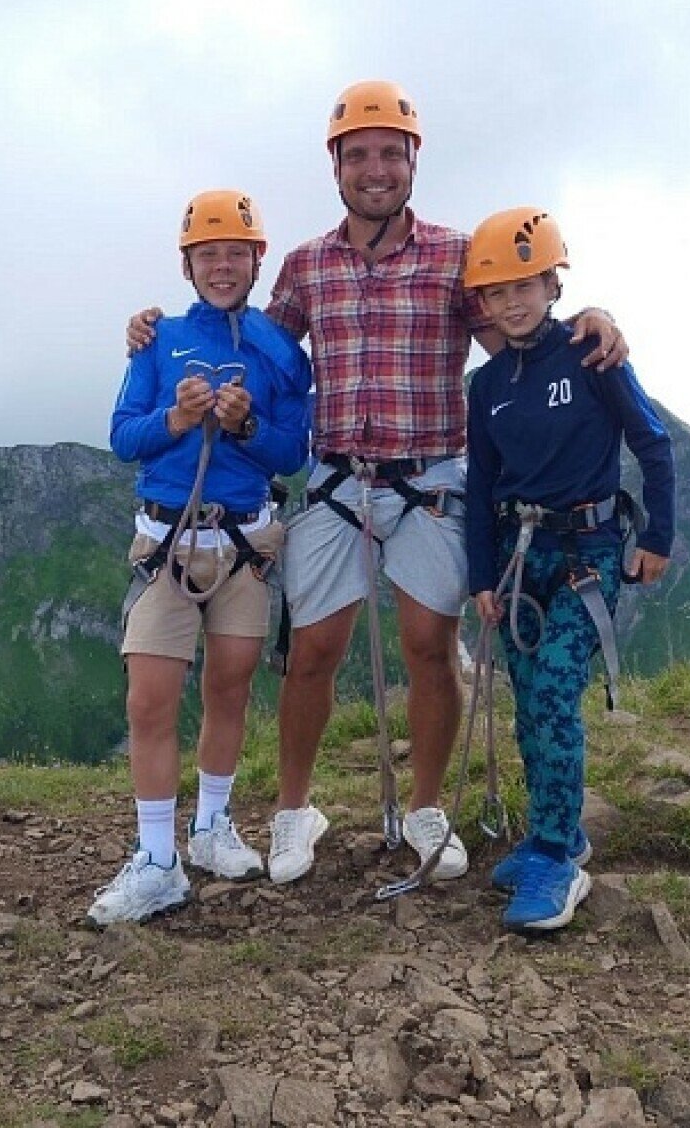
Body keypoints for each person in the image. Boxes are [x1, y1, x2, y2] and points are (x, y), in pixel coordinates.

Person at [130, 81, 629, 887]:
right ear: (335, 167)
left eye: (390, 154)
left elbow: (517, 334)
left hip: (431, 477)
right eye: (357, 155)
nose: (375, 170)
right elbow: (256, 348)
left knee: (430, 648)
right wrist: (157, 334)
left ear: (412, 161)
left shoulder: (456, 258)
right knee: (312, 652)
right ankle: (295, 810)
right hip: (338, 479)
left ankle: (425, 807)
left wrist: (588, 321)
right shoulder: (305, 266)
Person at [90, 189, 312, 927]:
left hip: (243, 544)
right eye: (208, 255)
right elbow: (124, 436)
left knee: (230, 688)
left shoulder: (281, 352)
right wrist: (179, 418)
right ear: (187, 266)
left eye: (235, 254)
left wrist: (246, 427)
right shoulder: (159, 338)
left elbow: (293, 451)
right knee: (148, 699)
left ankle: (211, 827)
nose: (222, 267)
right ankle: (157, 861)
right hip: (170, 541)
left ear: (257, 261)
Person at [462, 206, 674, 932]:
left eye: (525, 285)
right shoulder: (487, 386)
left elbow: (652, 442)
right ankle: (556, 831)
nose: (513, 302)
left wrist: (658, 536)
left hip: (587, 554)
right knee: (528, 701)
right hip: (518, 562)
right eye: (497, 292)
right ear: (483, 304)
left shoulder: (591, 356)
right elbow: (481, 486)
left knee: (554, 690)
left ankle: (556, 858)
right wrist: (481, 578)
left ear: (553, 285)